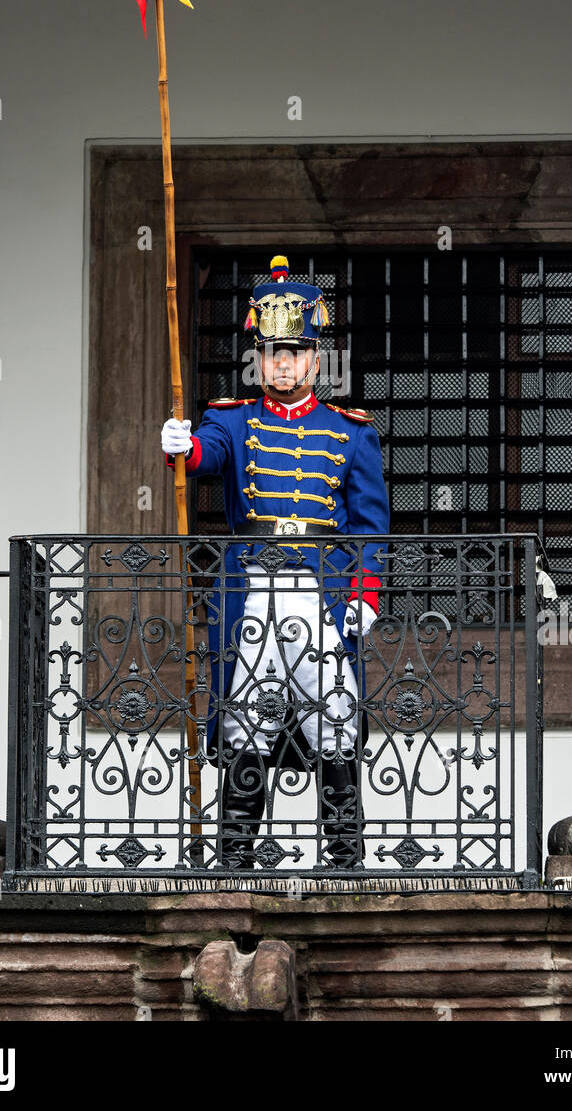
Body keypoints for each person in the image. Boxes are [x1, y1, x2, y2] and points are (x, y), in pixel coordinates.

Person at [162, 255, 389, 869]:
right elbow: (206, 458)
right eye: (270, 353)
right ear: (256, 359)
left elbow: (371, 527)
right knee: (244, 717)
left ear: (316, 360)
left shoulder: (350, 432)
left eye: (293, 352)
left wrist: (365, 597)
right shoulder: (231, 420)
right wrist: (182, 447)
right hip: (254, 589)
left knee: (334, 714)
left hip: (320, 593)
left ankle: (343, 858)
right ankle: (235, 857)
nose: (282, 363)